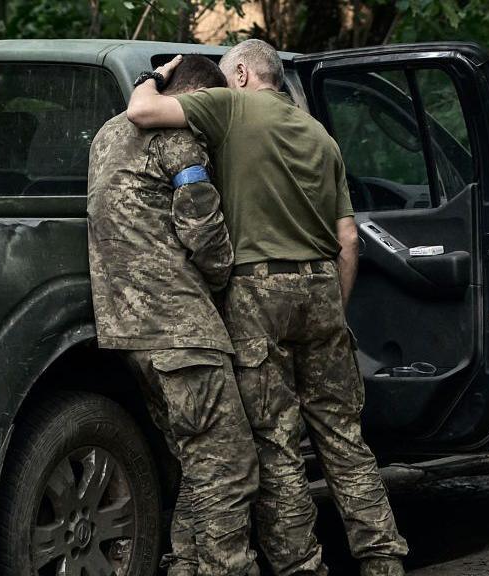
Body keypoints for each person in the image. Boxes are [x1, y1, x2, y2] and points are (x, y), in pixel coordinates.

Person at [125, 41, 409, 576]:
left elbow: (142, 111)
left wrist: (157, 74)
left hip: (257, 293)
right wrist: (333, 314)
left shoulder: (233, 106)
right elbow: (349, 240)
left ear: (239, 73)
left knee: (277, 444)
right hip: (323, 290)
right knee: (346, 440)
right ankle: (383, 559)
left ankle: (301, 566)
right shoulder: (322, 137)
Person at [87, 55, 259, 576]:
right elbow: (203, 231)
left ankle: (187, 564)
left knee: (193, 462)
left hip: (126, 331)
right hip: (180, 329)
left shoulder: (105, 136)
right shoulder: (179, 138)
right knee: (229, 466)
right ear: (197, 99)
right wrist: (226, 274)